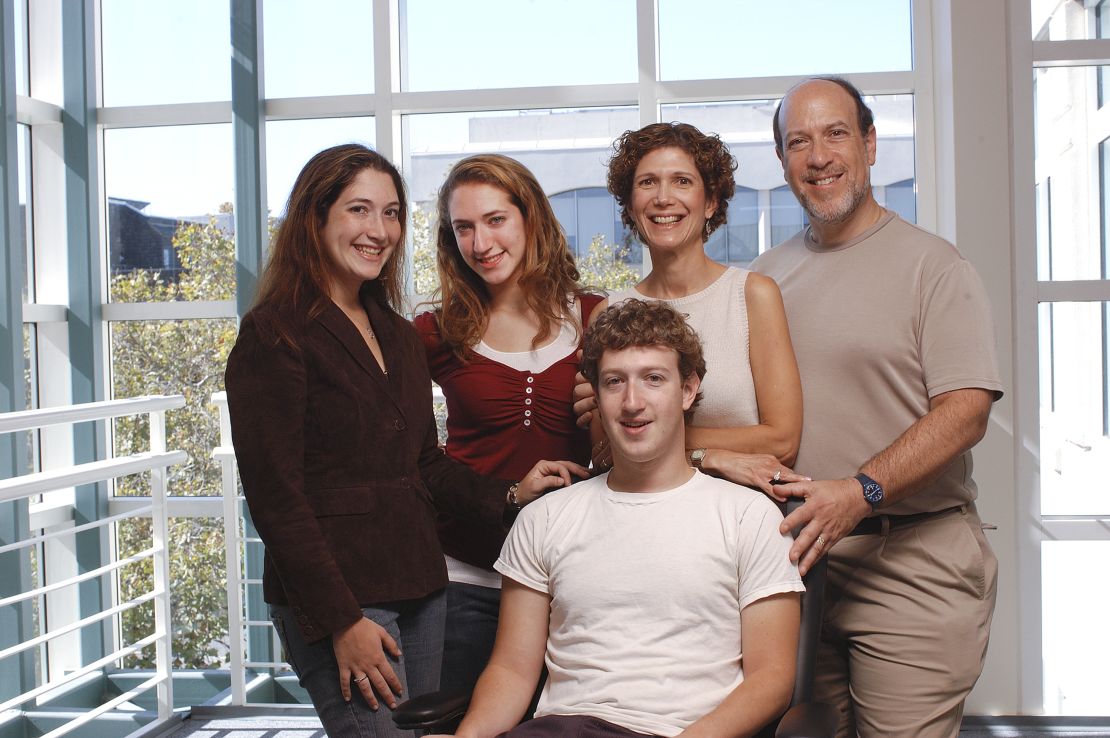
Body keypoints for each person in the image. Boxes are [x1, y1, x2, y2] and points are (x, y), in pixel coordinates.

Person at [224, 143, 587, 737]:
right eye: (359, 211)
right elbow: (275, 499)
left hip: (422, 586)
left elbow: (423, 463)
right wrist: (342, 622)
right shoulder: (275, 333)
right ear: (315, 218)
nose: (379, 230)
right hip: (346, 596)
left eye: (391, 213)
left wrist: (509, 495)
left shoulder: (394, 331)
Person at [751, 77, 1003, 737]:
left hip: (910, 563)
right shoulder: (766, 277)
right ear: (782, 162)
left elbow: (967, 409)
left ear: (869, 145)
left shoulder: (935, 268)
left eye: (836, 134)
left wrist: (861, 490)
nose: (819, 156)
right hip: (797, 569)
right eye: (798, 142)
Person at [434, 299, 803, 738]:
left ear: (688, 390)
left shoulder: (749, 517)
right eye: (614, 382)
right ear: (596, 394)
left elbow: (771, 681)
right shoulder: (545, 518)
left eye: (653, 379)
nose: (632, 402)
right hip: (558, 729)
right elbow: (512, 670)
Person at [413, 154, 604, 695]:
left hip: (568, 576)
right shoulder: (435, 331)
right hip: (466, 575)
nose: (480, 243)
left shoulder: (594, 316)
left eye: (496, 220)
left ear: (530, 219)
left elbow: (623, 449)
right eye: (464, 227)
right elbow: (401, 449)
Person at [577, 122, 805, 497]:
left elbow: (782, 441)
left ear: (711, 201)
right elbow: (605, 454)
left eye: (682, 181)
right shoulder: (608, 313)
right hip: (640, 517)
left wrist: (660, 440)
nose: (663, 198)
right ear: (630, 205)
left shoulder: (752, 295)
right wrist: (711, 456)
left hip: (743, 519)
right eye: (648, 182)